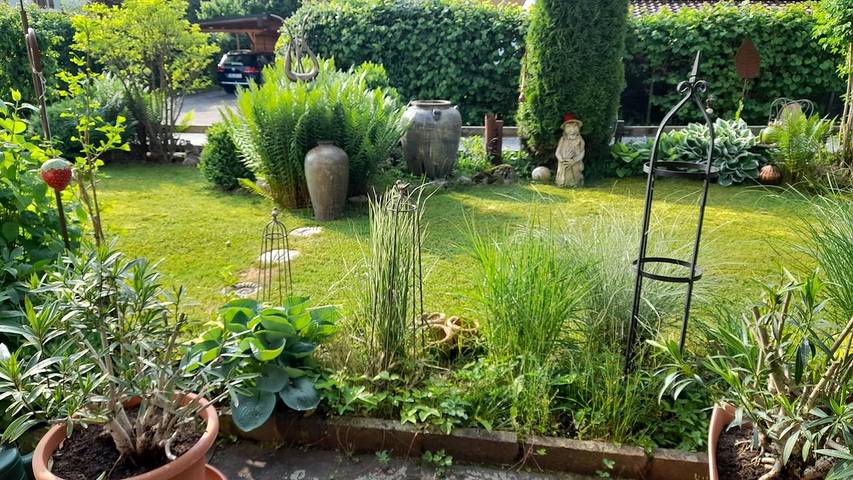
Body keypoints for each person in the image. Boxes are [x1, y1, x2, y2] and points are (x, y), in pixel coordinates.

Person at [555, 113, 585, 187]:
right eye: (568, 127)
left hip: (575, 163)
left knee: (575, 172)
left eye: (575, 127)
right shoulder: (563, 139)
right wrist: (561, 160)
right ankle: (562, 183)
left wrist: (575, 160)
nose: (572, 130)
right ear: (565, 129)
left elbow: (582, 152)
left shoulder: (580, 140)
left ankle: (575, 183)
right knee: (563, 175)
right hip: (563, 163)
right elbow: (557, 152)